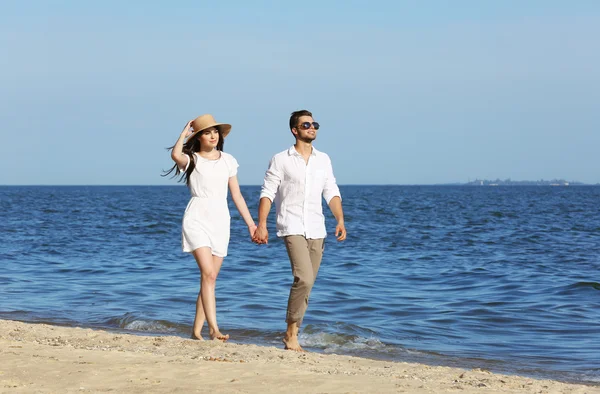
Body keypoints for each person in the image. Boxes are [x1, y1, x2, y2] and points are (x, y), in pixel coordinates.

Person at [253, 109, 347, 352]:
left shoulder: (323, 159)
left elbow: (331, 191)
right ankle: (291, 334)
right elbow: (268, 192)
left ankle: (293, 331)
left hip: (317, 227)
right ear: (295, 130)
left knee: (309, 283)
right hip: (291, 225)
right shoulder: (281, 159)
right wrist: (261, 224)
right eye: (306, 125)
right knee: (303, 278)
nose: (312, 127)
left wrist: (340, 219)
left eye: (314, 123)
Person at [164, 114, 256, 341]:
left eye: (215, 131)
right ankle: (214, 329)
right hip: (197, 218)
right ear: (198, 137)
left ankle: (196, 332)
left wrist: (251, 225)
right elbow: (176, 154)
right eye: (207, 132)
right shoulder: (192, 159)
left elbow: (237, 196)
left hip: (221, 221)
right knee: (208, 273)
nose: (213, 135)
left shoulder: (228, 161)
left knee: (210, 278)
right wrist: (183, 134)